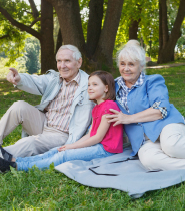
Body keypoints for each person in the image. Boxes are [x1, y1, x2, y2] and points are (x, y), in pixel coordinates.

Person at [0, 71, 123, 172]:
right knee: (56, 150)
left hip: (106, 150)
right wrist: (70, 146)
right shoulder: (97, 107)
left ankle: (18, 167)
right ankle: (15, 161)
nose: (90, 88)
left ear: (106, 88)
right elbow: (91, 134)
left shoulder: (109, 107)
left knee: (65, 155)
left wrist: (73, 146)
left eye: (95, 85)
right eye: (89, 85)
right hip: (98, 146)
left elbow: (97, 137)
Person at [0, 45, 94, 158]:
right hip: (43, 123)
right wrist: (19, 78)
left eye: (67, 61)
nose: (62, 66)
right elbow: (36, 81)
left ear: (79, 62)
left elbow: (104, 105)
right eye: (59, 61)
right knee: (19, 106)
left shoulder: (90, 85)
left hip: (62, 135)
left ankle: (3, 156)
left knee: (30, 142)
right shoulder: (55, 79)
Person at [106, 40, 185, 171]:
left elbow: (161, 110)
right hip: (143, 138)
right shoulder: (113, 87)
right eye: (122, 64)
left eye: (131, 64)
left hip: (166, 124)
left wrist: (128, 118)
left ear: (141, 66)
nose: (126, 68)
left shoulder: (153, 81)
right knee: (149, 161)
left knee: (171, 146)